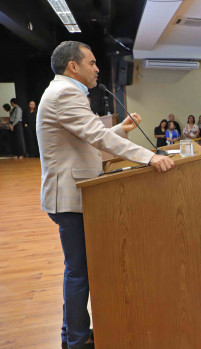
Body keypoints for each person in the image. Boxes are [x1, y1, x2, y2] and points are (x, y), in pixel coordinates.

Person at [37, 41, 174, 349]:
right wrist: (148, 157)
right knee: (78, 273)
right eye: (92, 62)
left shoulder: (63, 92)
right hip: (70, 197)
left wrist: (122, 130)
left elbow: (87, 142)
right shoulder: (66, 93)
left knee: (80, 271)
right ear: (74, 66)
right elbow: (96, 137)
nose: (97, 68)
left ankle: (72, 334)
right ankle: (75, 340)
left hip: (75, 194)